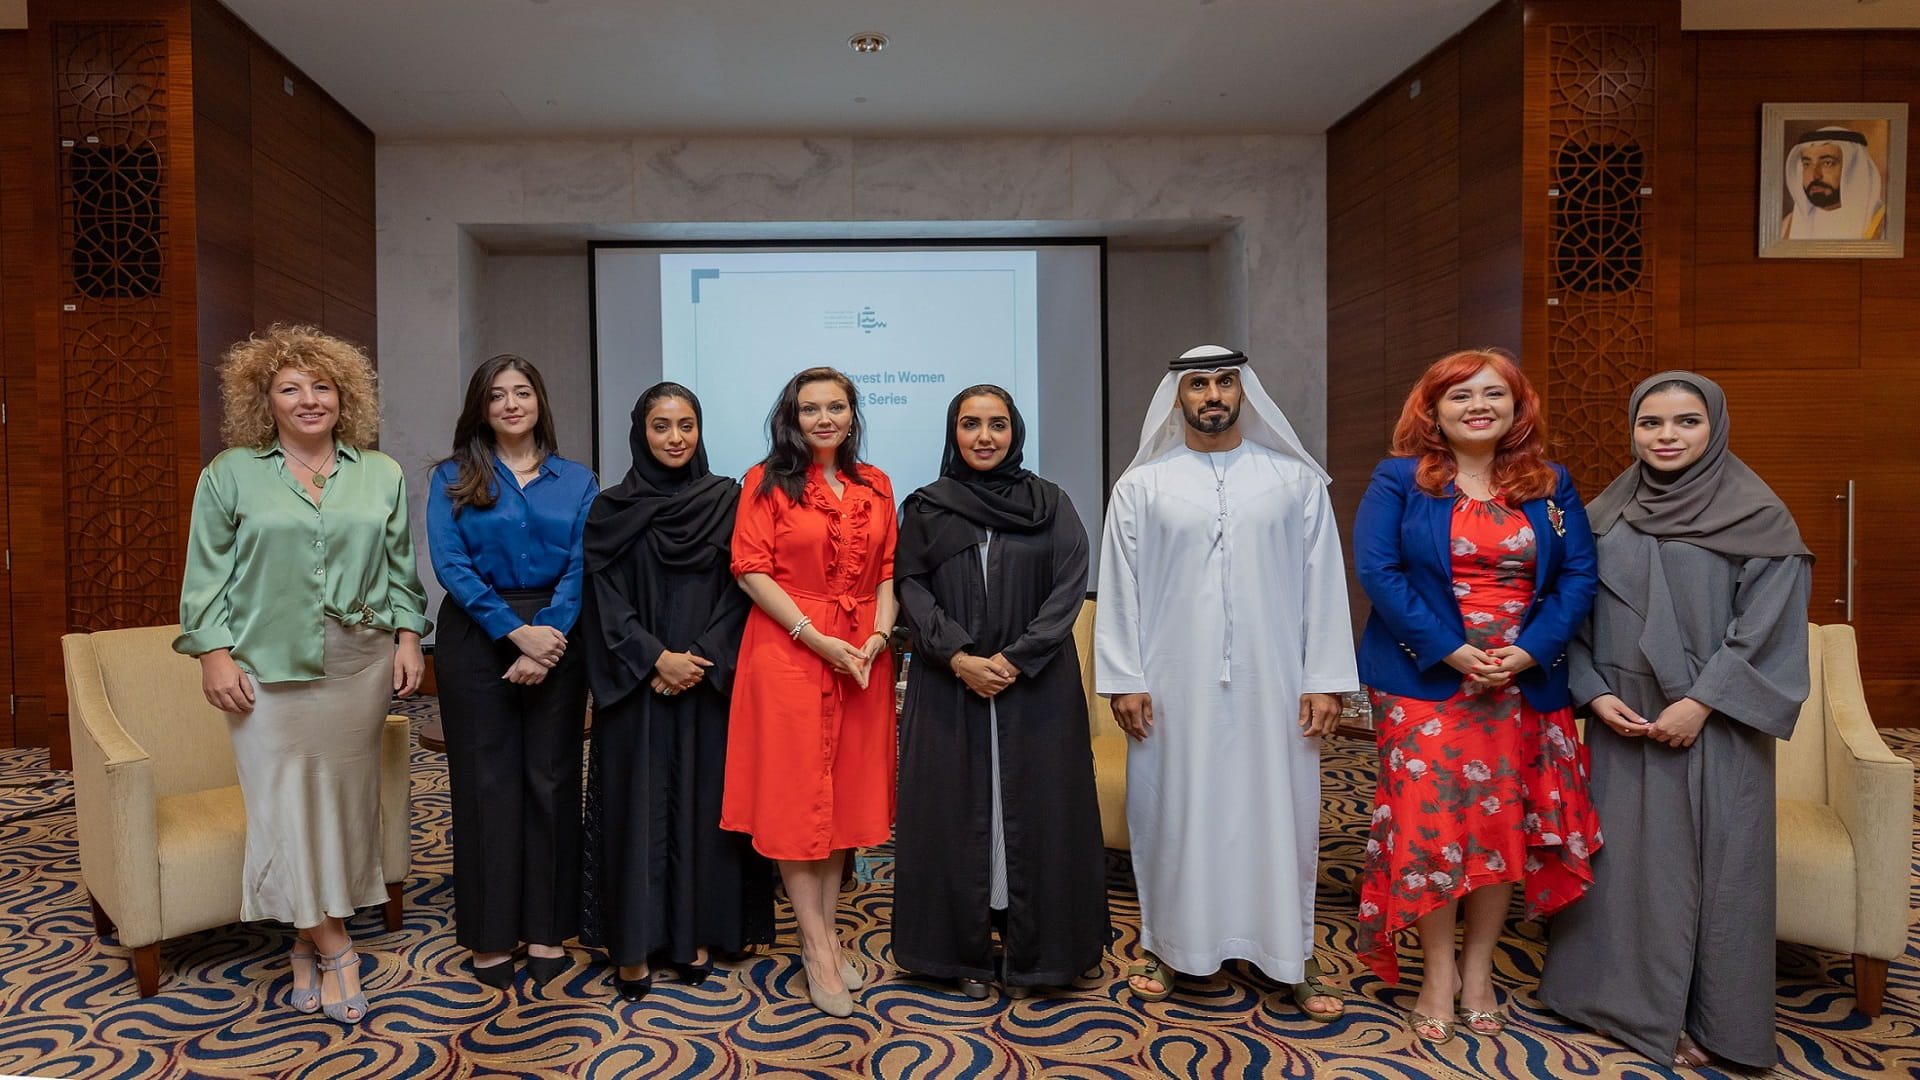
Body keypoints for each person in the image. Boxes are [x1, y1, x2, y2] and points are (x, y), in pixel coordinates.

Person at [1538, 372, 1812, 1071]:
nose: (1666, 437)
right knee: (1624, 866)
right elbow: (1570, 615)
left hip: (1717, 719)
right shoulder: (1607, 511)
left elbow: (1768, 627)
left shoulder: (1760, 515)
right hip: (1622, 717)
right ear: (1631, 430)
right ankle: (1608, 1001)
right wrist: (1594, 694)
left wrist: (1701, 703)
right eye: (1650, 424)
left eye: (1686, 422)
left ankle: (1714, 1022)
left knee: (1717, 872)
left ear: (1714, 426)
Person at [175, 325, 429, 1024]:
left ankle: (300, 943)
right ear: (267, 400)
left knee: (339, 806)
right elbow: (205, 577)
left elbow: (402, 571)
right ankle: (336, 943)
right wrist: (212, 652)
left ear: (345, 398)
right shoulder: (230, 472)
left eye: (322, 387)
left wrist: (410, 640)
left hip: (360, 663)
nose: (309, 400)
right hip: (263, 664)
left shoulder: (380, 473)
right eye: (291, 388)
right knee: (281, 806)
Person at [1093, 345, 1357, 1016]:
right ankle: (1169, 944)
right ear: (1178, 397)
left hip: (1278, 684)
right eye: (1198, 384)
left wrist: (1325, 679)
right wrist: (1124, 677)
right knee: (1175, 812)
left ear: (1245, 392)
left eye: (1225, 382)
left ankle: (1291, 951)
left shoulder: (1293, 481)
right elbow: (1119, 592)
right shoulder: (1142, 486)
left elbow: (1324, 586)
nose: (1212, 395)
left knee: (1282, 814)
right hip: (1171, 686)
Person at [1351, 348, 1602, 1044]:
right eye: (1458, 396)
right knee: (1433, 825)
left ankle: (1480, 969)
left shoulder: (1552, 484)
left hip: (1523, 680)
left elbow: (1578, 576)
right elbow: (1378, 569)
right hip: (1425, 680)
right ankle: (1436, 970)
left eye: (1493, 394)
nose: (1477, 406)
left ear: (1518, 407)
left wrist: (1526, 653)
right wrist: (1452, 649)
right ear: (1431, 410)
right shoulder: (1400, 479)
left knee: (1499, 826)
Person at [893, 386, 1108, 1000]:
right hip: (948, 682)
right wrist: (959, 655)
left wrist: (1015, 660)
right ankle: (954, 951)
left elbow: (1070, 585)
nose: (984, 436)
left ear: (1015, 431)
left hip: (1036, 686)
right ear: (952, 432)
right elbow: (911, 585)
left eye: (997, 424)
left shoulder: (1052, 503)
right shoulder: (928, 508)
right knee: (953, 809)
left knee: (1041, 808)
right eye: (970, 424)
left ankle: (1042, 952)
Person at [579, 383, 773, 1002]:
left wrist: (701, 658)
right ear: (641, 431)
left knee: (702, 805)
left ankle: (692, 935)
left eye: (686, 425)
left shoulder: (728, 501)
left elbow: (744, 587)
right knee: (637, 809)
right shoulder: (610, 509)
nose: (675, 438)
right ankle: (634, 944)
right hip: (637, 682)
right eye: (661, 426)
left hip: (707, 680)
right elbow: (601, 599)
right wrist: (652, 657)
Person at [721, 367, 898, 1017]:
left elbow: (887, 572)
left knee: (844, 799)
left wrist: (880, 637)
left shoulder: (875, 483)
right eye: (810, 409)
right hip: (787, 651)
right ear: (791, 418)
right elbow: (749, 569)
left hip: (861, 657)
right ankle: (817, 944)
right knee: (799, 801)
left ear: (852, 414)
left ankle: (825, 930)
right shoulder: (764, 481)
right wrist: (813, 636)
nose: (824, 418)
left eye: (836, 406)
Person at [426, 354, 597, 991]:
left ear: (539, 402)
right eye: (496, 395)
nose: (510, 404)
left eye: (522, 392)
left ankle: (548, 926)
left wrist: (547, 633)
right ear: (481, 407)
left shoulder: (577, 480)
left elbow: (583, 563)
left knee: (552, 781)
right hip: (478, 633)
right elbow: (451, 564)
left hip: (558, 634)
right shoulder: (450, 477)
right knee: (485, 785)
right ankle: (491, 932)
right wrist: (514, 632)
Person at [1781, 125, 1887, 240]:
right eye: (1807, 164)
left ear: (1853, 168)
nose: (1814, 175)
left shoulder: (1883, 223)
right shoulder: (1789, 224)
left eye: (1827, 163)